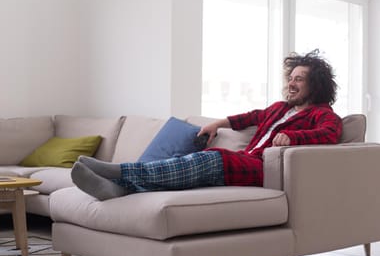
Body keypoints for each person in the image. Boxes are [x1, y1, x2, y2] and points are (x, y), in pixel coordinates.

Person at [71, 49, 343, 200]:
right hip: (244, 160)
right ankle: (118, 189)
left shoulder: (323, 114)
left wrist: (292, 138)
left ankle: (117, 171)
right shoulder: (279, 108)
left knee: (208, 159)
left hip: (263, 170)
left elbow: (330, 134)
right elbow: (250, 117)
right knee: (188, 172)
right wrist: (219, 123)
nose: (291, 84)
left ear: (315, 84)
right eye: (290, 78)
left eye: (299, 80)